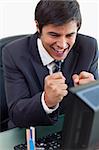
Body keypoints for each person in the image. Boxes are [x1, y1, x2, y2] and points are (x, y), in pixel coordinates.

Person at [2, 0, 98, 129]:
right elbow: (17, 114)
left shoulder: (88, 47)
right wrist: (46, 101)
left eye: (70, 35)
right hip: (28, 132)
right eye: (54, 35)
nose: (62, 45)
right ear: (38, 26)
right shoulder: (13, 53)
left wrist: (92, 93)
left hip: (71, 131)